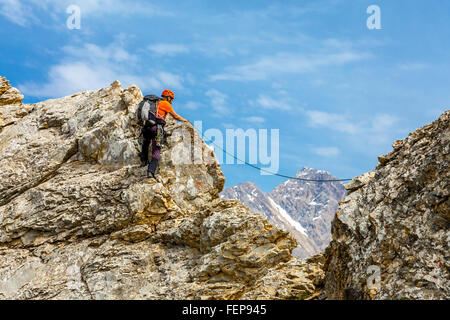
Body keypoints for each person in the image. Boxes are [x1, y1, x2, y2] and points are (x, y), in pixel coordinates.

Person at [140, 89, 188, 178]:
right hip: (156, 128)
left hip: (146, 127)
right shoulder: (166, 104)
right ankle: (150, 172)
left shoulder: (155, 103)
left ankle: (143, 160)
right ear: (168, 98)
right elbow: (175, 116)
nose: (172, 101)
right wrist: (185, 120)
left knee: (145, 144)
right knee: (156, 151)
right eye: (172, 99)